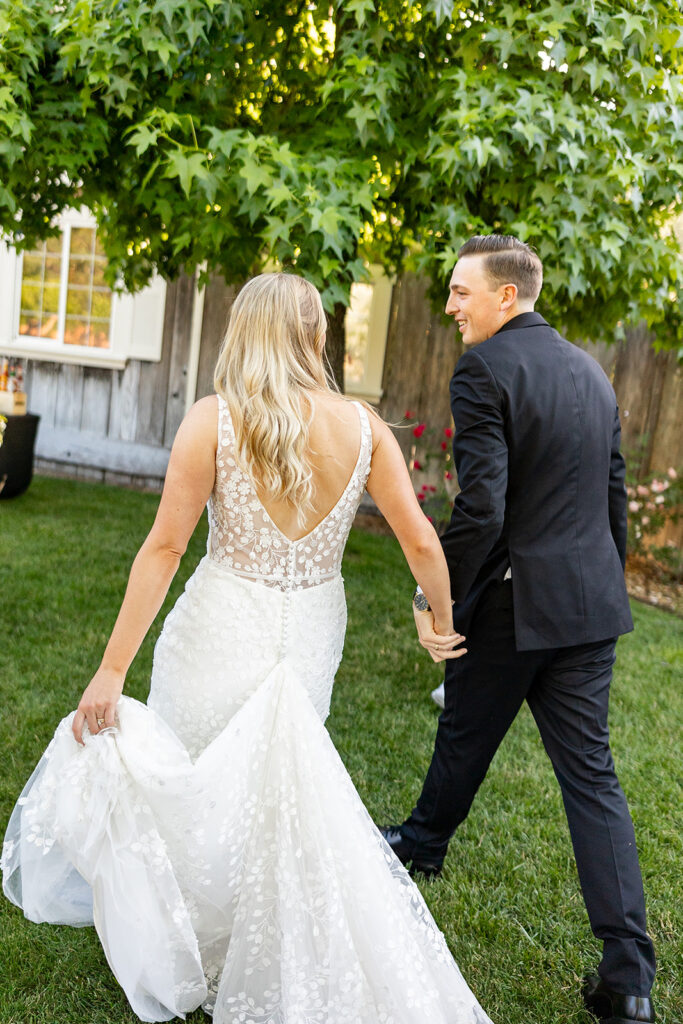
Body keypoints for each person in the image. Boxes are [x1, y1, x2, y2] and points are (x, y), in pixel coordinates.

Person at [2, 273, 492, 1024]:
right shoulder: (364, 428)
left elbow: (164, 548)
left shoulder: (214, 420)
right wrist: (438, 616)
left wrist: (110, 670)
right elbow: (422, 538)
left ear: (243, 333)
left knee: (196, 773)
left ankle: (191, 930)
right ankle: (245, 929)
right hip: (311, 628)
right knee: (274, 784)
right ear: (317, 337)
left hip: (221, 623)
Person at [381, 235, 656, 1024]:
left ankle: (422, 843)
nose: (450, 305)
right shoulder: (590, 372)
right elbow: (612, 496)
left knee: (466, 731)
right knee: (592, 781)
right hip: (587, 607)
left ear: (506, 296)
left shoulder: (483, 369)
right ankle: (628, 980)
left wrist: (437, 598)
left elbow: (481, 509)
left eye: (461, 291)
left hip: (509, 603)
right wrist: (599, 582)